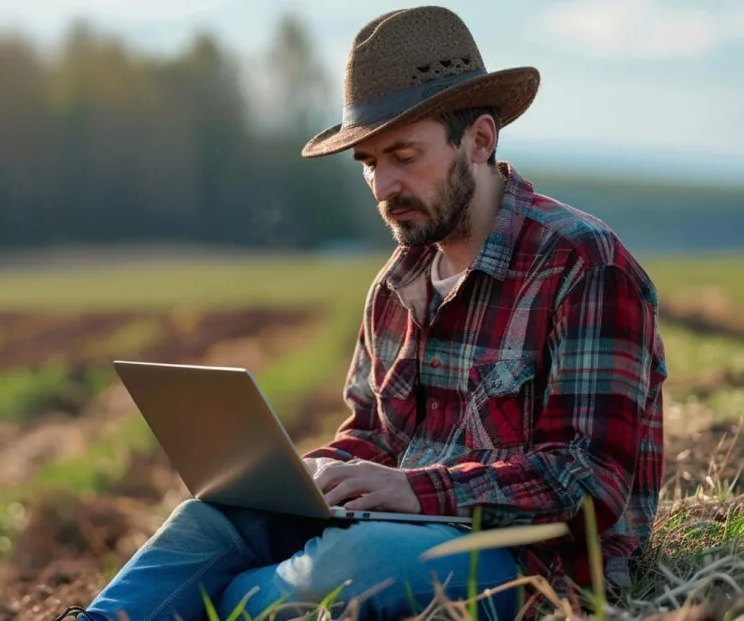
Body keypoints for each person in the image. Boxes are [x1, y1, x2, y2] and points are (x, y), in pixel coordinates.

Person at [58, 6, 666, 621]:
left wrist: (415, 490)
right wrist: (315, 475)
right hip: (401, 525)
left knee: (364, 557)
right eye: (371, 163)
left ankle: (221, 604)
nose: (382, 187)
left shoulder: (583, 263)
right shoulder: (395, 285)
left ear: (480, 140)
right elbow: (375, 437)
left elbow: (588, 483)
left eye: (404, 155)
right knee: (211, 514)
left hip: (534, 568)